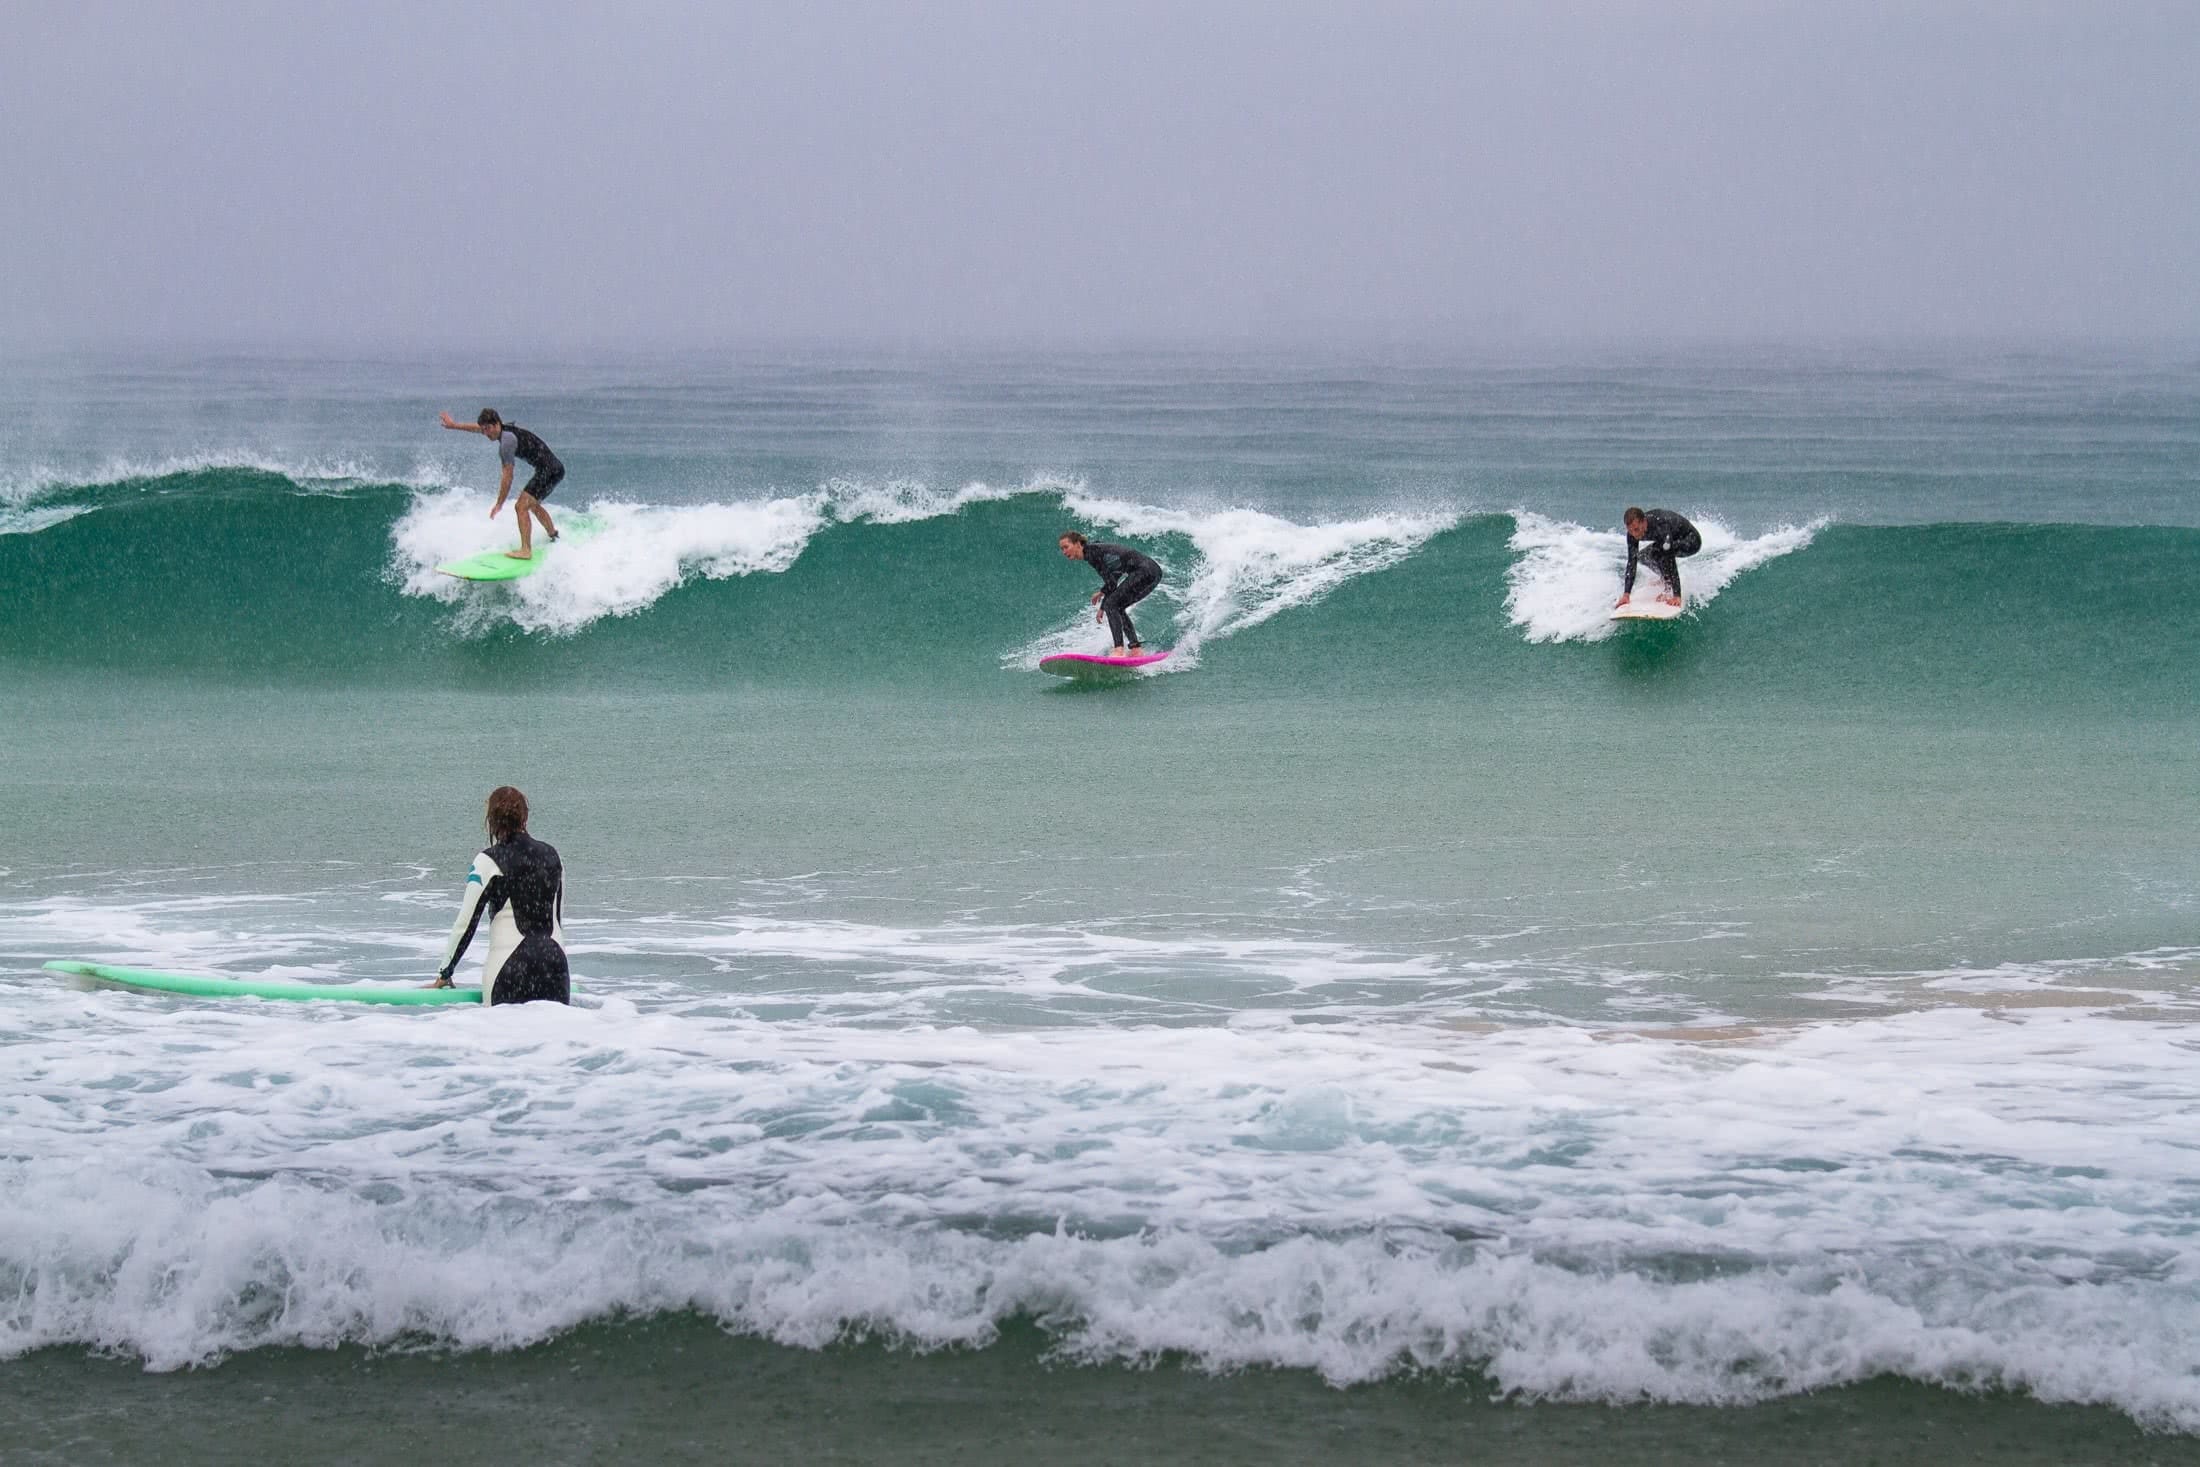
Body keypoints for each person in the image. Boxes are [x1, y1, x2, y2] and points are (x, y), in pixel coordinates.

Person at [431, 786, 570, 1004]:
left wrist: (445, 973)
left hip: (510, 967)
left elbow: (466, 924)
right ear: (524, 817)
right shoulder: (553, 855)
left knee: (501, 1034)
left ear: (491, 820)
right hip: (555, 967)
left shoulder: (487, 860)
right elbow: (558, 921)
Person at [438, 408, 563, 560]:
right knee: (532, 504)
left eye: (488, 429)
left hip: (549, 470)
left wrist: (499, 503)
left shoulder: (507, 443)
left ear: (497, 424)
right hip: (554, 469)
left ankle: (525, 550)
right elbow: (477, 428)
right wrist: (454, 425)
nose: (486, 433)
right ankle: (553, 535)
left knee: (521, 506)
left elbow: (508, 476)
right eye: (484, 430)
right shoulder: (501, 430)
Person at [1059, 531, 1162, 657]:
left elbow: (1111, 583)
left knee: (1112, 605)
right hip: (1153, 572)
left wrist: (1102, 595)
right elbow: (1113, 580)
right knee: (1117, 606)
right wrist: (1103, 605)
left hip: (1144, 571)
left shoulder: (1092, 553)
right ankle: (1136, 649)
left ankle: (1118, 649)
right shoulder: (1094, 550)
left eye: (1066, 547)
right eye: (1062, 549)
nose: (1064, 552)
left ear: (1078, 544)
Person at [1616, 506, 1702, 609]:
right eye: (1631, 531)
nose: (1634, 534)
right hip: (1671, 540)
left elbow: (1669, 559)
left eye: (1636, 529)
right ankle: (1664, 578)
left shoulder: (1660, 525)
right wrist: (1626, 594)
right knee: (1642, 556)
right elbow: (1631, 562)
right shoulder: (1632, 533)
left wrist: (1677, 595)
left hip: (1691, 541)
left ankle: (1668, 586)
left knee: (1661, 552)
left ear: (1644, 522)